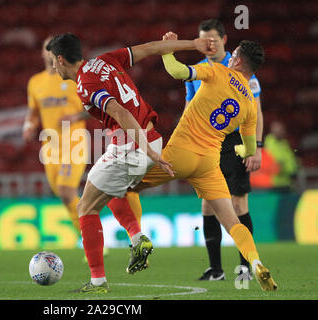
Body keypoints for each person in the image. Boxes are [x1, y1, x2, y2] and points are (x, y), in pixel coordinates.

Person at [46, 32, 215, 293]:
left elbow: (120, 112)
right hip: (148, 138)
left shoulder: (85, 84)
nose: (53, 68)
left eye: (53, 62)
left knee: (85, 208)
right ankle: (137, 238)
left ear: (60, 59)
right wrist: (193, 44)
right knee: (111, 189)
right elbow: (152, 48)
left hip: (134, 145)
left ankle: (98, 281)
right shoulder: (105, 60)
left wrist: (149, 152)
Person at [129, 32, 277, 291]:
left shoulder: (217, 71)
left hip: (181, 154)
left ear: (239, 61)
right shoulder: (250, 106)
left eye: (234, 54)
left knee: (128, 187)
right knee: (233, 222)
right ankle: (255, 262)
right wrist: (243, 152)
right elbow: (249, 146)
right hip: (210, 163)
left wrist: (167, 49)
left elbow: (176, 71)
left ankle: (137, 241)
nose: (230, 56)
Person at [24, 37, 143, 239]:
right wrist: (29, 125)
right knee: (62, 194)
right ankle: (87, 233)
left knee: (65, 190)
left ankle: (91, 235)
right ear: (43, 53)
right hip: (50, 142)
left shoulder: (72, 78)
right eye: (45, 48)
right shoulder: (35, 82)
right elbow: (33, 111)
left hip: (74, 140)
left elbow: (94, 104)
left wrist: (75, 116)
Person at [184, 19, 265, 281]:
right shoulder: (196, 71)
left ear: (224, 40)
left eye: (213, 40)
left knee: (238, 202)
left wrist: (256, 148)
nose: (209, 45)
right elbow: (189, 109)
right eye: (204, 41)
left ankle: (246, 267)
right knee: (208, 204)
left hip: (236, 141)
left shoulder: (242, 68)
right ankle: (215, 269)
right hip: (207, 142)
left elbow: (256, 111)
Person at [264, 120, 299, 192]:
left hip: (287, 181)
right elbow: (277, 161)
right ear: (273, 130)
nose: (282, 131)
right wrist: (286, 167)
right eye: (279, 129)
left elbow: (290, 159)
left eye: (282, 129)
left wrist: (294, 168)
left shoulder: (284, 143)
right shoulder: (270, 142)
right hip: (276, 183)